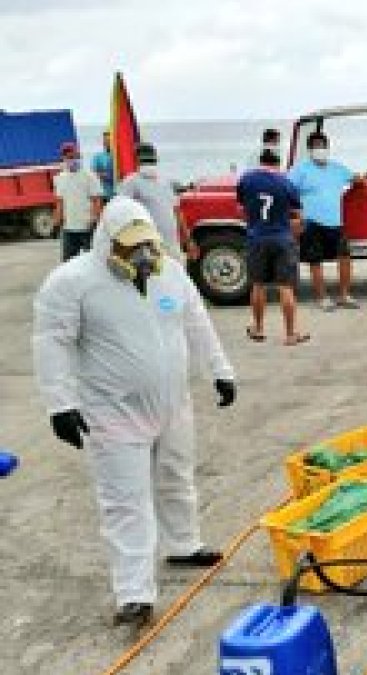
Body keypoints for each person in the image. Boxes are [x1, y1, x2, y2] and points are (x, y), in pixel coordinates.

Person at [31, 196, 237, 627]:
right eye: (130, 247)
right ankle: (134, 593)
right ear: (107, 241)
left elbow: (197, 320)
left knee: (177, 477)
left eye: (147, 245)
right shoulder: (72, 282)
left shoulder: (169, 273)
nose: (141, 256)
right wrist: (60, 403)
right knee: (126, 502)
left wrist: (220, 370)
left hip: (172, 405)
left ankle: (183, 545)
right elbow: (52, 342)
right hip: (113, 413)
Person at [288, 131, 367, 311]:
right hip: (311, 223)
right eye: (316, 146)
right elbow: (287, 192)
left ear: (327, 147)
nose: (320, 149)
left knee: (345, 257)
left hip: (336, 223)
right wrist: (294, 216)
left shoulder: (337, 168)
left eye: (322, 146)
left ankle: (344, 295)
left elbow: (355, 178)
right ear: (310, 149)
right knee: (315, 261)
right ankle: (322, 298)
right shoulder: (300, 170)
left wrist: (366, 184)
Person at [237, 149, 308, 345]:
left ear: (260, 162)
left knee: (258, 285)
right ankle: (290, 334)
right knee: (285, 287)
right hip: (282, 238)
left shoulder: (246, 179)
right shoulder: (286, 183)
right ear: (278, 164)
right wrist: (297, 229)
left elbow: (240, 208)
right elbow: (299, 215)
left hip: (256, 238)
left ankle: (258, 328)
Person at [117, 142, 195, 260]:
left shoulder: (132, 182)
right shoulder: (163, 181)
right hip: (157, 243)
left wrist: (188, 241)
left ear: (136, 160)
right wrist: (189, 241)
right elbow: (178, 213)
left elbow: (177, 212)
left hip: (160, 243)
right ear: (156, 159)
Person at [52, 142, 104, 261]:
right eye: (68, 157)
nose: (71, 160)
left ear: (78, 156)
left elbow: (97, 201)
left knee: (93, 262)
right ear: (63, 159)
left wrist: (95, 220)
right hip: (69, 229)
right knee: (67, 263)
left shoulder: (89, 176)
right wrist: (55, 223)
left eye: (73, 156)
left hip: (88, 228)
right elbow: (60, 203)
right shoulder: (60, 178)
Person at [91, 131, 115, 201]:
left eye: (109, 141)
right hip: (103, 194)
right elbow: (94, 174)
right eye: (105, 141)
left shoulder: (119, 157)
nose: (107, 143)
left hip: (118, 194)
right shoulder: (98, 157)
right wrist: (107, 175)